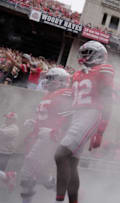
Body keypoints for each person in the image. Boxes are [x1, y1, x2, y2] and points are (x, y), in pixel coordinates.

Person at [54, 41, 114, 203]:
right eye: (84, 52)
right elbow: (72, 103)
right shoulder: (78, 74)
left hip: (91, 114)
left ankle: (58, 200)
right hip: (76, 116)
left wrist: (100, 131)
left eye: (89, 52)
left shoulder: (104, 70)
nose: (85, 56)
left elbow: (108, 100)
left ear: (99, 54)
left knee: (60, 155)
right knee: (71, 163)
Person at [20, 68, 72, 203]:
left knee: (28, 166)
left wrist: (58, 130)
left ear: (61, 81)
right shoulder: (48, 95)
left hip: (51, 136)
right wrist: (35, 122)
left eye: (51, 78)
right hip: (42, 134)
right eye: (47, 78)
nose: (47, 81)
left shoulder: (64, 93)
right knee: (40, 174)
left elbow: (70, 115)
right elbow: (48, 116)